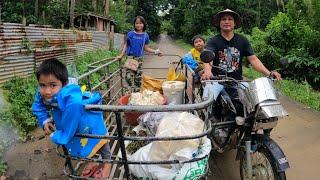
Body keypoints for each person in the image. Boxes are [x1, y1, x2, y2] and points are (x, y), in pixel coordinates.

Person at [32, 58, 111, 178]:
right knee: (79, 142)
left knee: (98, 136)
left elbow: (75, 105)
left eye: (53, 85)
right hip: (70, 120)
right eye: (43, 85)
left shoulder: (70, 94)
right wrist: (45, 120)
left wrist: (61, 136)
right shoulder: (42, 91)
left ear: (63, 84)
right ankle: (91, 161)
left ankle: (107, 164)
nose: (47, 91)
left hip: (86, 116)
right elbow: (38, 104)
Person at [201, 9, 281, 81]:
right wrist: (208, 72)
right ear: (219, 23)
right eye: (223, 19)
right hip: (216, 80)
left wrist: (269, 73)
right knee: (209, 96)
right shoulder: (213, 41)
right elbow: (208, 56)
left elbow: (253, 60)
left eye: (230, 19)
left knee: (249, 96)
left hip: (238, 82)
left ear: (234, 23)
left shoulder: (243, 40)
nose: (227, 22)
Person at [116, 16, 163, 91]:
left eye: (140, 23)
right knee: (128, 77)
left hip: (139, 59)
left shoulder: (145, 35)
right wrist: (121, 55)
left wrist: (156, 51)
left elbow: (146, 48)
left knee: (138, 79)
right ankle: (130, 92)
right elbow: (126, 45)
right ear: (134, 24)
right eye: (137, 23)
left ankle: (136, 95)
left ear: (143, 24)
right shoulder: (130, 34)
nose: (138, 25)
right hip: (130, 58)